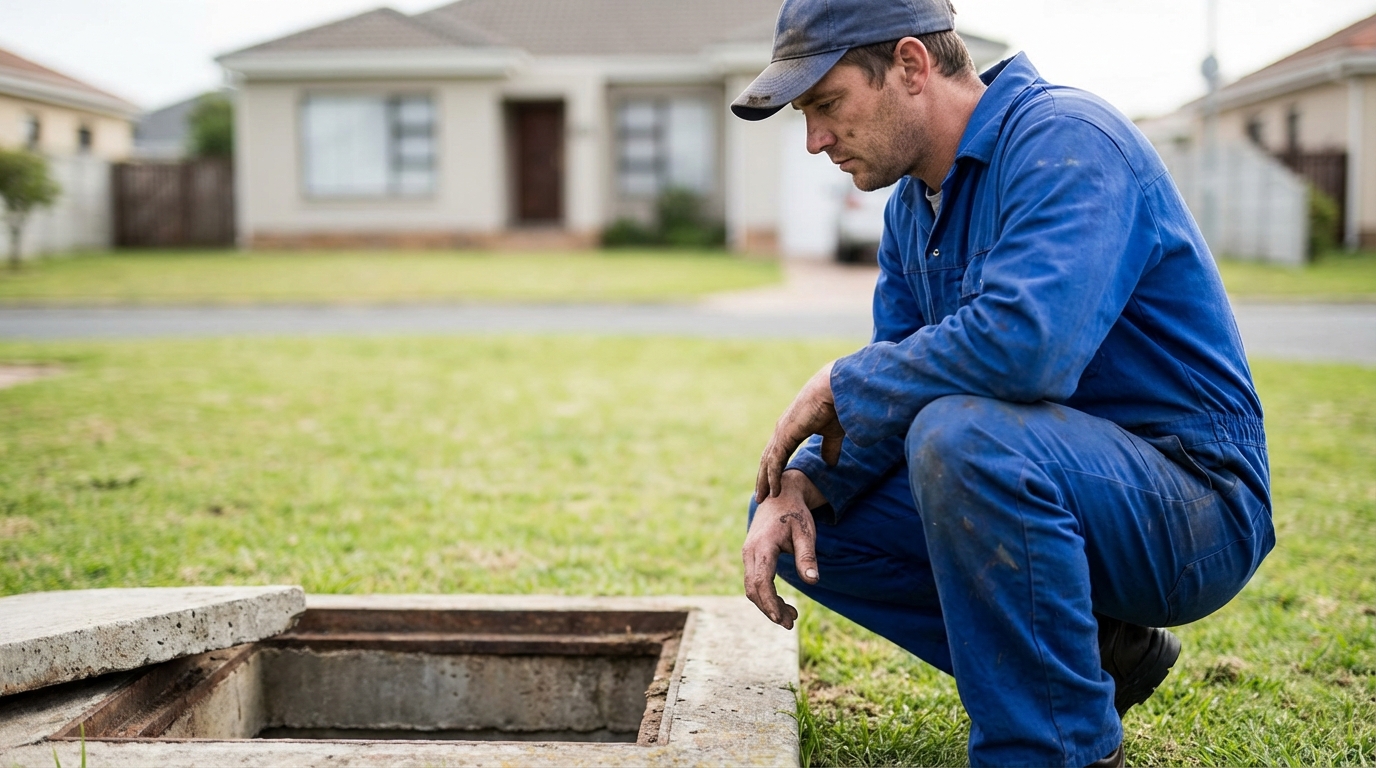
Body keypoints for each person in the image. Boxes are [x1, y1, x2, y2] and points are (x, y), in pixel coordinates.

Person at [732, 0, 1275, 765]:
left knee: (962, 434)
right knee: (798, 519)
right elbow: (894, 400)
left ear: (913, 67)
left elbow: (1029, 351)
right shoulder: (911, 214)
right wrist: (801, 482)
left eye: (827, 104)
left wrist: (840, 381)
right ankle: (1103, 654)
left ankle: (1054, 749)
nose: (817, 139)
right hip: (1051, 483)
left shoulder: (1068, 140)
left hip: (1194, 505)